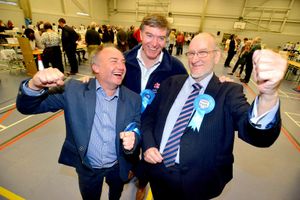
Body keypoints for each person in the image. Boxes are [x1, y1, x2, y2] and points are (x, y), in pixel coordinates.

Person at [141, 32, 287, 200]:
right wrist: (149, 145)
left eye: (203, 52)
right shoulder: (171, 83)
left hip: (199, 184)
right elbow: (148, 119)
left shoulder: (228, 91)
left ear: (217, 56)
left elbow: (256, 135)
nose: (195, 59)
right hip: (158, 173)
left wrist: (268, 95)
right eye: (191, 53)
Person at [16, 46, 142, 200]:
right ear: (96, 67)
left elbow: (137, 127)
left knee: (115, 193)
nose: (121, 66)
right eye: (113, 61)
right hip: (87, 167)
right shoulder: (73, 90)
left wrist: (134, 140)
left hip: (118, 166)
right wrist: (34, 86)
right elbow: (28, 107)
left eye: (123, 62)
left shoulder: (133, 99)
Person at [123, 13, 187, 200]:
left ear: (166, 39)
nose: (154, 43)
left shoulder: (175, 67)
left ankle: (142, 181)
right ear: (140, 34)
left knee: (150, 157)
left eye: (161, 38)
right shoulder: (124, 60)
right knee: (130, 151)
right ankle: (133, 171)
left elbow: (192, 89)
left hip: (156, 124)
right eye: (149, 35)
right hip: (128, 121)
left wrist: (218, 83)